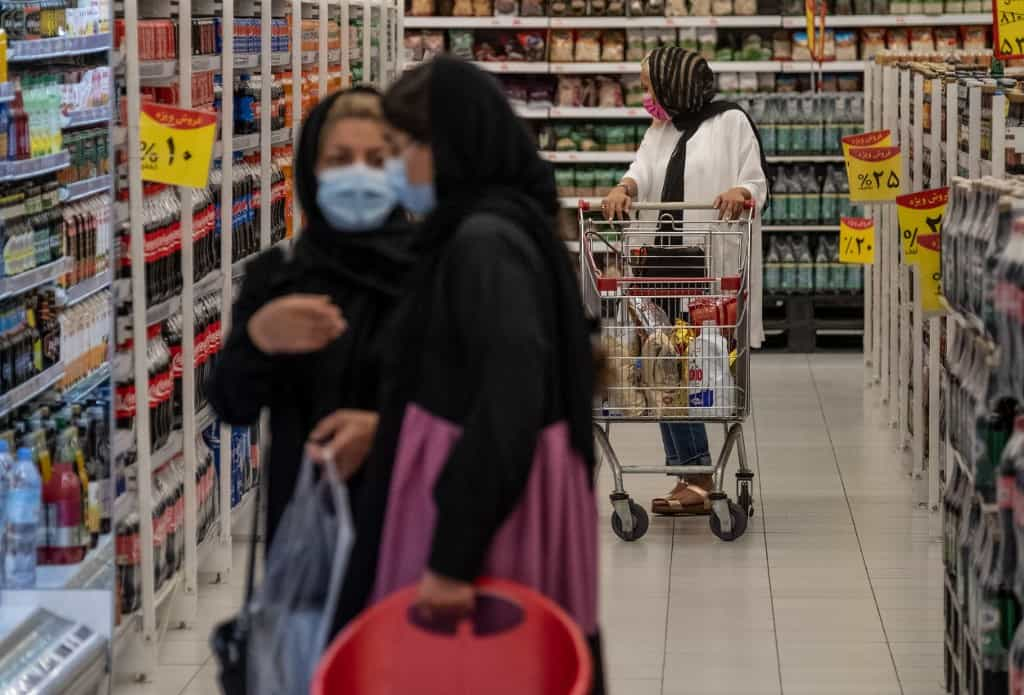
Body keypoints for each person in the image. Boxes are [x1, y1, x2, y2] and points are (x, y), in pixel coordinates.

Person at [327, 57, 605, 692]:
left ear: (447, 144)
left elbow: (509, 398)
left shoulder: (484, 242)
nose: (397, 170)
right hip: (493, 498)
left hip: (487, 525)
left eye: (401, 150)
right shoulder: (493, 226)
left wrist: (453, 558)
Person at [206, 87, 412, 546]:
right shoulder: (279, 278)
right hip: (305, 540)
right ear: (311, 171)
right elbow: (230, 404)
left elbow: (474, 409)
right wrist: (258, 339)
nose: (359, 175)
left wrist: (386, 431)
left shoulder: (434, 273)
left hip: (410, 538)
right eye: (340, 160)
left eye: (377, 161)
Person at [602, 47, 768, 516]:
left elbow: (756, 181)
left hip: (708, 267)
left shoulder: (732, 122)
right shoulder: (660, 128)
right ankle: (691, 472)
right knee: (664, 367)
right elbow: (641, 169)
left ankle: (694, 472)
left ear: (675, 85)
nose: (646, 97)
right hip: (658, 263)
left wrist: (741, 191)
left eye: (650, 87)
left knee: (695, 364)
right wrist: (624, 188)